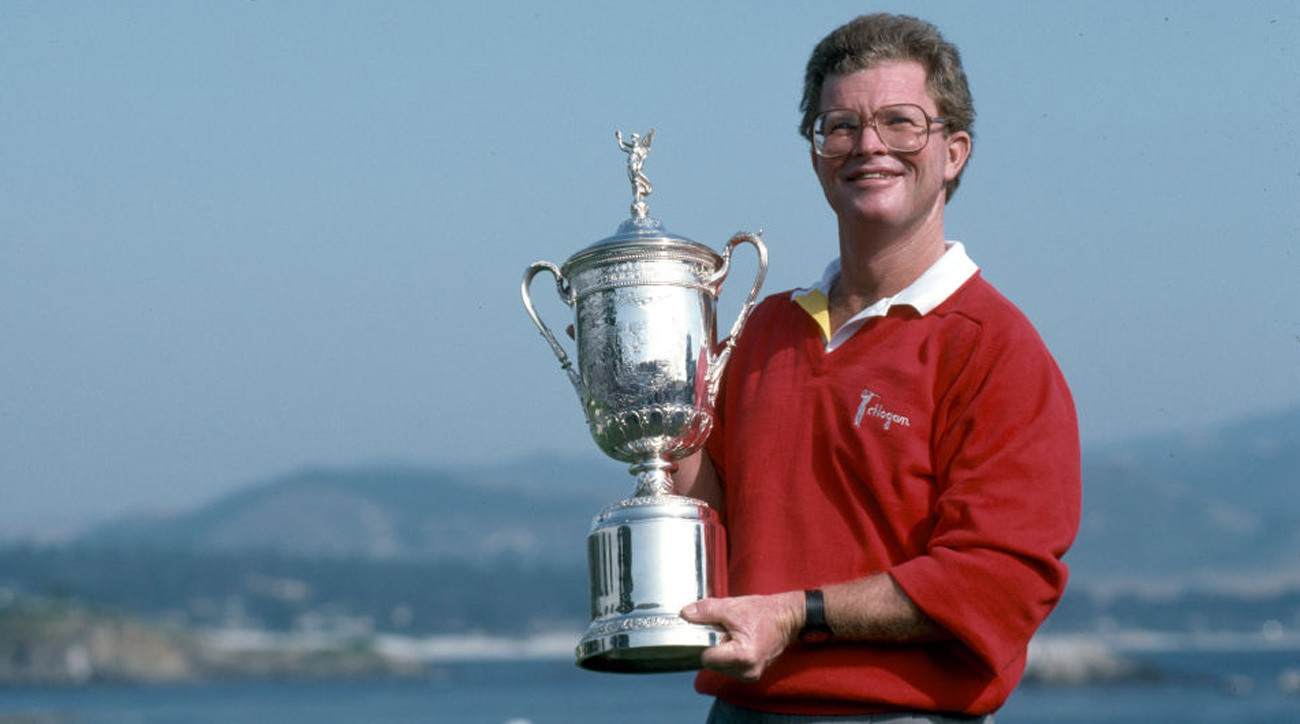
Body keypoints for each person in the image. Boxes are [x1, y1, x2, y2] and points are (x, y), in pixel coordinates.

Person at [674, 13, 1082, 722]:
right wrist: (665, 402)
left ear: (953, 152)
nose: (869, 146)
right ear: (816, 155)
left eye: (901, 123)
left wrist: (798, 616)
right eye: (841, 126)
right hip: (741, 714)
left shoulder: (996, 349)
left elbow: (997, 580)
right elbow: (707, 518)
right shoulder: (760, 330)